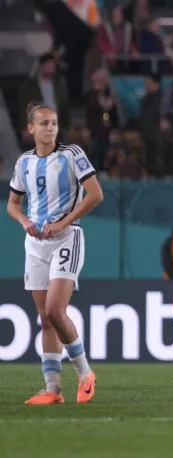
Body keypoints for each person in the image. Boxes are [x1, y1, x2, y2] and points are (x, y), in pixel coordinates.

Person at [7, 101, 103, 405]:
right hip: (35, 244)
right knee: (44, 320)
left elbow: (96, 195)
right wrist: (24, 222)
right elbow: (13, 204)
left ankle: (86, 373)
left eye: (54, 123)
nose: (50, 128)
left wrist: (61, 222)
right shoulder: (23, 162)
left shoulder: (72, 155)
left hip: (66, 238)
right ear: (30, 129)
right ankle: (53, 389)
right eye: (44, 123)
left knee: (54, 312)